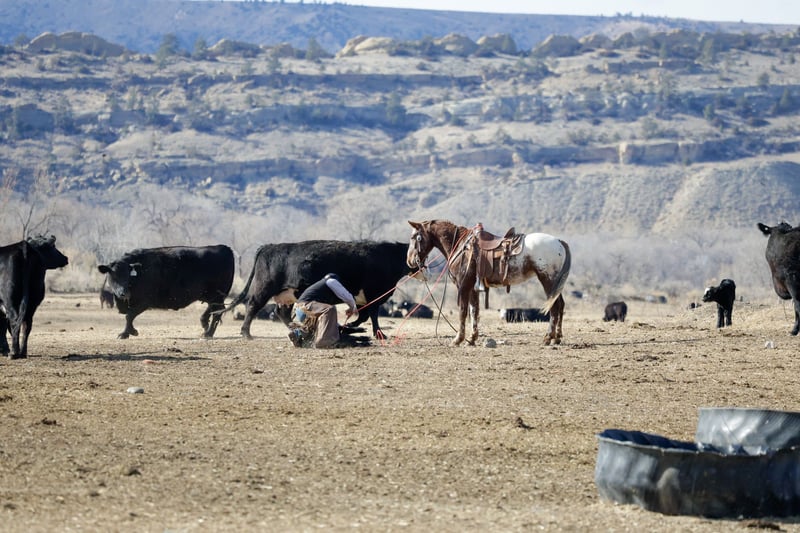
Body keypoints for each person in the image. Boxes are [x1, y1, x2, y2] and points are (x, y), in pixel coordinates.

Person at [287, 273, 358, 349]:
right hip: (305, 306)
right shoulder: (331, 281)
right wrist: (352, 308)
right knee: (329, 309)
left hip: (297, 311)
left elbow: (328, 321)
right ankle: (324, 342)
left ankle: (298, 334)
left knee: (318, 323)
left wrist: (338, 326)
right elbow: (347, 297)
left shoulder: (320, 291)